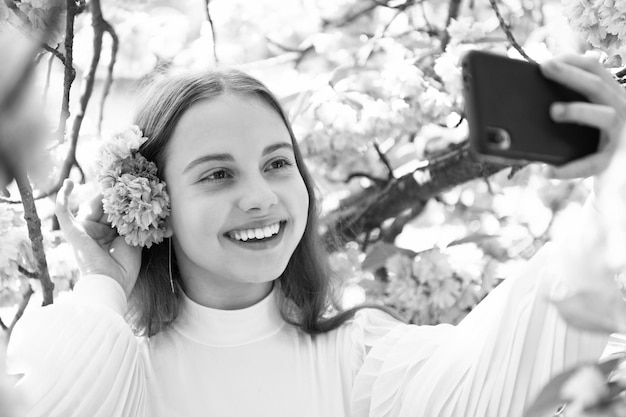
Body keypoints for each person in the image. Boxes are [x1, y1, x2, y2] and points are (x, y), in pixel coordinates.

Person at [5, 53, 626, 417]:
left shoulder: (364, 362)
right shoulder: (123, 370)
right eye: (218, 174)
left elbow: (518, 355)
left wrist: (617, 179)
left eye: (278, 163)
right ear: (154, 203)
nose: (261, 195)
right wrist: (102, 290)